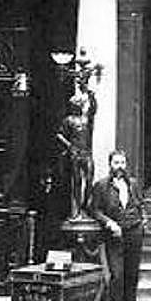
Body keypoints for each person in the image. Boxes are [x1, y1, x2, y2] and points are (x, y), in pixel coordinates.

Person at [90, 148, 148, 301]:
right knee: (117, 276)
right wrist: (109, 223)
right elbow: (94, 210)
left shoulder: (133, 184)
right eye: (116, 163)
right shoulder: (101, 186)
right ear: (110, 165)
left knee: (132, 274)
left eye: (122, 162)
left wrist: (143, 219)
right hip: (114, 235)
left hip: (134, 232)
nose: (120, 166)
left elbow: (140, 204)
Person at [55, 56, 97, 221]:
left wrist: (90, 93)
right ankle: (77, 210)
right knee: (76, 182)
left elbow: (93, 108)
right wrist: (69, 145)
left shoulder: (86, 119)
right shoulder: (69, 120)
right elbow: (59, 134)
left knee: (90, 179)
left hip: (86, 153)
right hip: (75, 153)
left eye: (80, 104)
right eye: (76, 104)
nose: (78, 105)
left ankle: (87, 206)